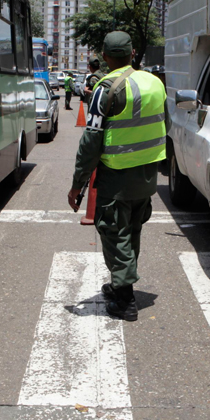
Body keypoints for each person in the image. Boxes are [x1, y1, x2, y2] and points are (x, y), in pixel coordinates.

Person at [67, 31, 169, 321]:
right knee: (132, 229)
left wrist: (77, 184)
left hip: (117, 174)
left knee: (114, 232)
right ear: (133, 52)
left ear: (106, 57)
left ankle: (125, 299)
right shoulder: (154, 83)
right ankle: (118, 283)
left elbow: (91, 141)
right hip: (147, 174)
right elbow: (166, 124)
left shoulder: (105, 88)